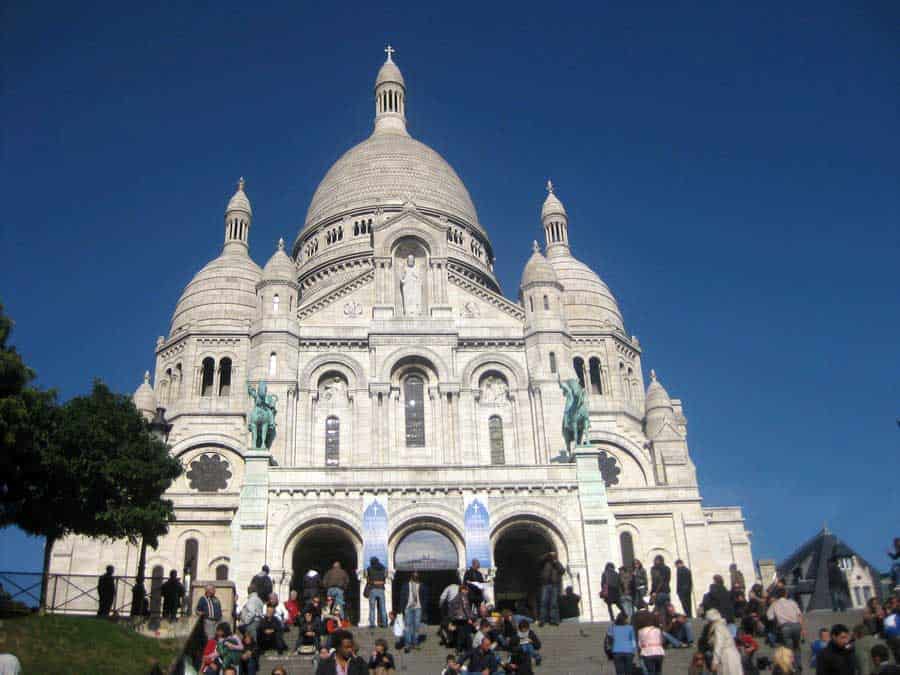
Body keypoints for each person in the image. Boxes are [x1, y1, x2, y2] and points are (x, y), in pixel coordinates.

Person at [766, 586, 805, 669]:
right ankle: (798, 665)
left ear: (776, 595)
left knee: (788, 648)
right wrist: (802, 629)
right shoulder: (792, 602)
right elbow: (799, 615)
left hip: (785, 627)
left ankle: (790, 667)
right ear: (786, 594)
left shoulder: (775, 604)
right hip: (796, 626)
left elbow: (769, 617)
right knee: (797, 646)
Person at [707, 609, 742, 675]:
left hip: (727, 656)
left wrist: (715, 661)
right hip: (729, 655)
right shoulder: (722, 626)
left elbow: (719, 644)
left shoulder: (718, 627)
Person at [398, 571, 425, 653]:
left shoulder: (421, 585)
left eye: (416, 576)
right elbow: (402, 597)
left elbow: (424, 597)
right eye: (414, 576)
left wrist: (424, 607)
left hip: (418, 607)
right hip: (408, 607)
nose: (415, 577)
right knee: (407, 626)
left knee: (416, 626)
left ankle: (415, 643)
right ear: (411, 576)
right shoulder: (406, 585)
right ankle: (407, 644)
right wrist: (401, 609)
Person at [538, 551, 564, 626]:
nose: (552, 557)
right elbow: (539, 560)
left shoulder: (557, 563)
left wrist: (556, 562)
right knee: (543, 602)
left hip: (554, 585)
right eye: (551, 555)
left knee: (554, 603)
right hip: (545, 584)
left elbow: (562, 571)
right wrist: (547, 554)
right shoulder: (545, 563)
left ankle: (554, 620)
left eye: (554, 555)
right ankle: (542, 620)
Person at [449, 584, 477, 653]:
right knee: (467, 634)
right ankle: (469, 648)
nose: (467, 592)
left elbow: (451, 607)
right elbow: (465, 607)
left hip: (457, 618)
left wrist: (452, 619)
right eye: (466, 590)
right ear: (463, 590)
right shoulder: (463, 596)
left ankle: (459, 649)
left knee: (460, 634)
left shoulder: (456, 596)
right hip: (463, 618)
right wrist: (469, 618)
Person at [366, 557, 388, 628]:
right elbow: (385, 578)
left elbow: (368, 578)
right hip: (381, 588)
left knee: (372, 608)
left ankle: (372, 623)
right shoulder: (383, 568)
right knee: (383, 607)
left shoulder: (369, 569)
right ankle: (384, 623)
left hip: (373, 589)